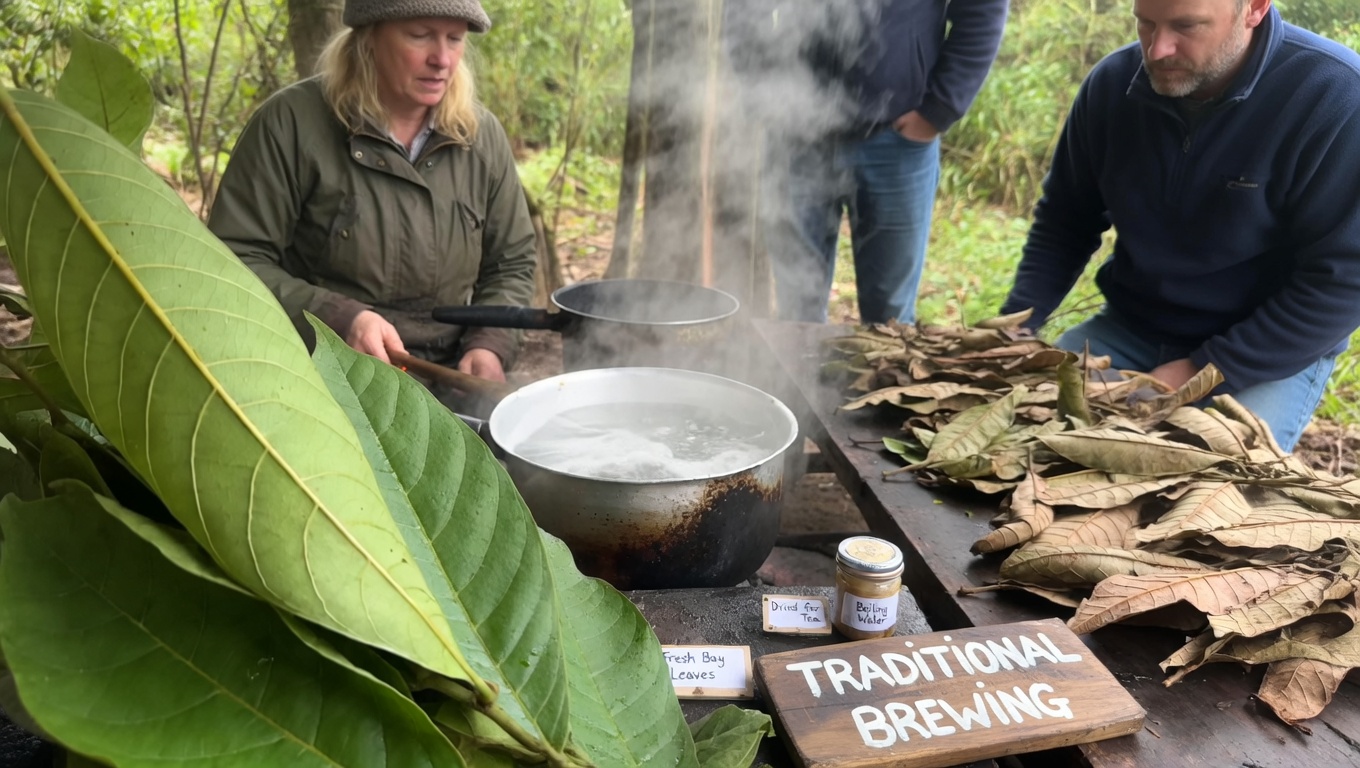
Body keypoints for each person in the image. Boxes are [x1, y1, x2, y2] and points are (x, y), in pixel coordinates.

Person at [999, 0, 1360, 451]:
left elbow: (1344, 280)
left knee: (1202, 487)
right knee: (1018, 429)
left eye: (1186, 26)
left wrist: (1197, 371)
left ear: (1254, 9)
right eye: (1145, 23)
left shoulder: (1338, 97)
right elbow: (1064, 221)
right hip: (1131, 328)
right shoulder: (1112, 86)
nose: (1157, 49)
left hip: (1265, 351)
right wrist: (1015, 328)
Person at [209, 0, 537, 384]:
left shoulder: (481, 136)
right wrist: (337, 318)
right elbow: (233, 259)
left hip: (447, 378)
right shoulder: (290, 125)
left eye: (455, 39)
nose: (443, 59)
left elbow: (511, 262)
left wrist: (490, 343)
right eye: (420, 36)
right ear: (368, 38)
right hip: (322, 374)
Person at [764, 0, 1007, 324]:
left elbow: (984, 9)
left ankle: (885, 376)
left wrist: (938, 110)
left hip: (896, 142)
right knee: (795, 307)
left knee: (889, 319)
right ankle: (795, 373)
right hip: (796, 134)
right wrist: (760, 97)